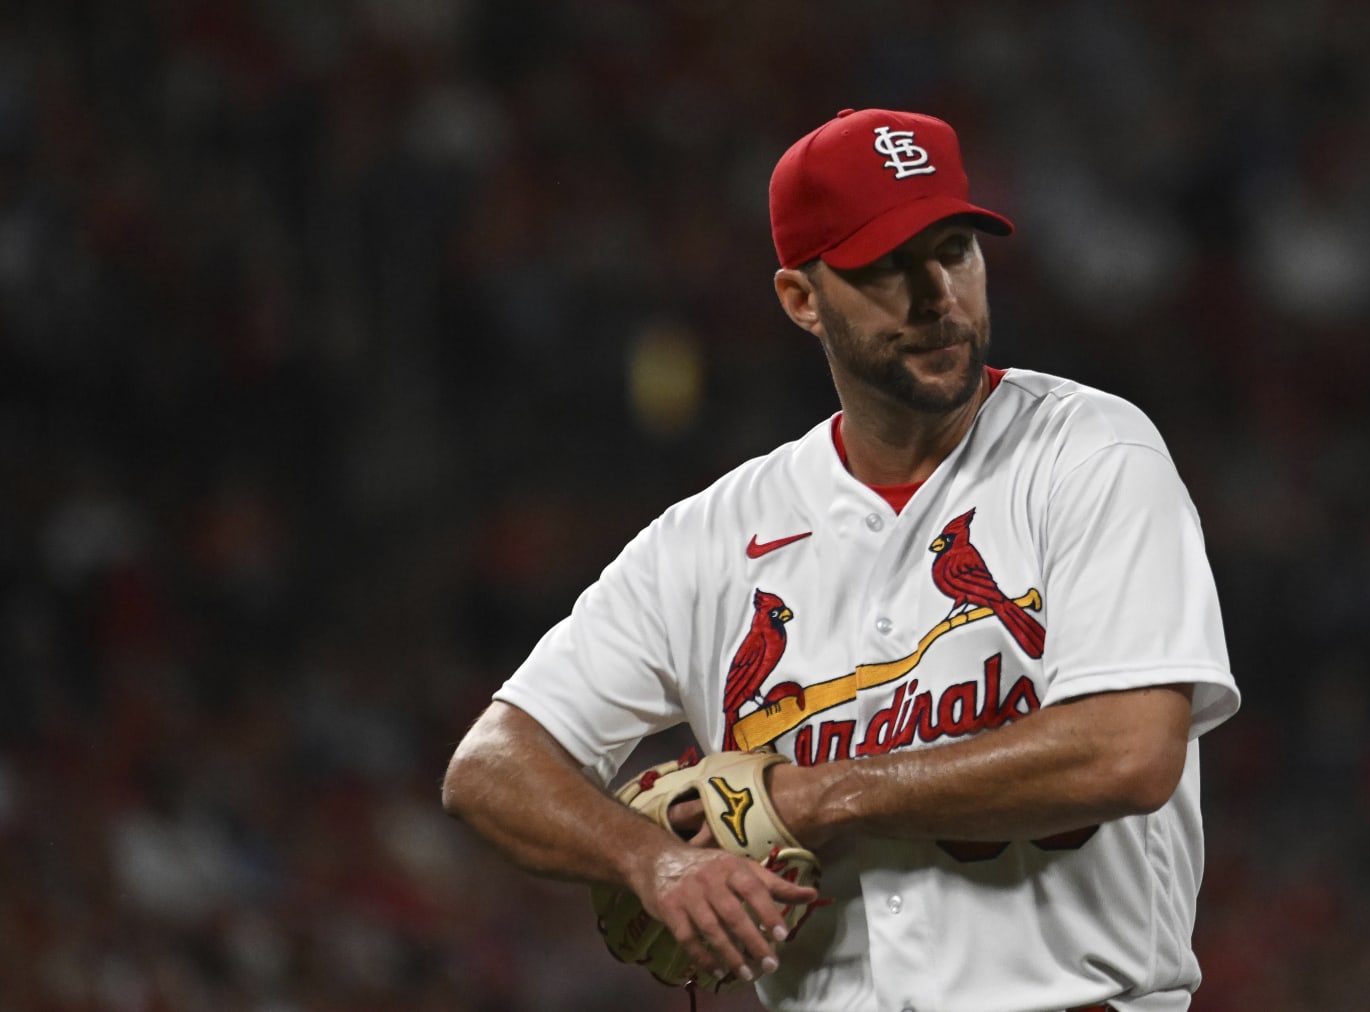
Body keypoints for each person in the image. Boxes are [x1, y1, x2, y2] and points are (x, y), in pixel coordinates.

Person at [442, 107, 1241, 1012]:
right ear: (800, 298)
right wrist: (653, 862)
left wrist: (813, 797)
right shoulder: (711, 539)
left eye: (954, 251)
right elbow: (490, 766)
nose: (936, 295)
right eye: (887, 266)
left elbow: (1128, 754)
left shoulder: (1088, 452)